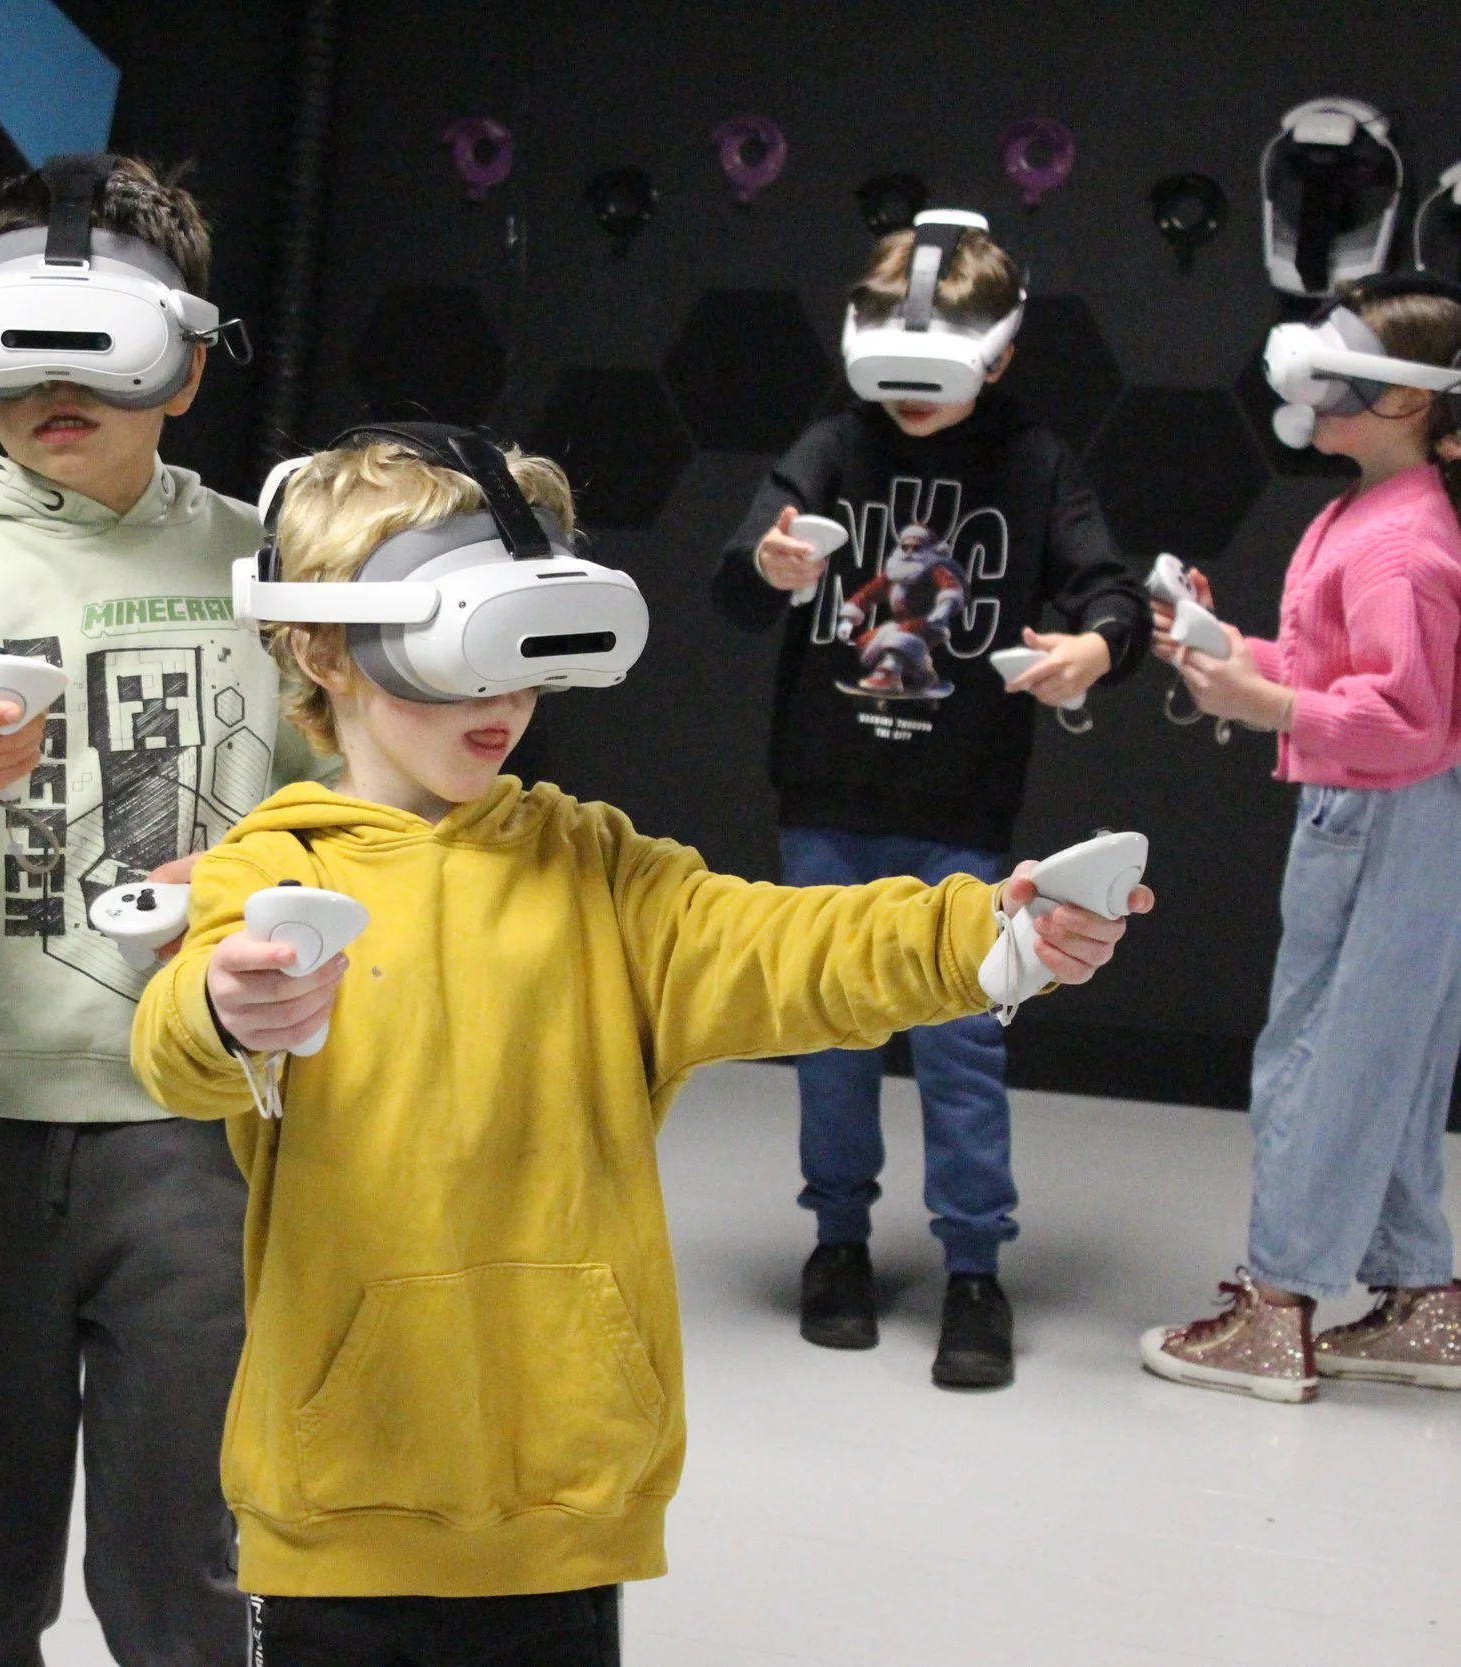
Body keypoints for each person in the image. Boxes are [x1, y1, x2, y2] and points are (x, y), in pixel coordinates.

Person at [130, 431, 1146, 1664]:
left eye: (527, 664)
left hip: (568, 1495)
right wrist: (225, 1011)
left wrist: (989, 938)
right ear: (323, 645)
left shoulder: (598, 869)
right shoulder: (270, 871)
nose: (503, 707)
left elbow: (784, 949)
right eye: (460, 662)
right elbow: (177, 1046)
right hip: (344, 1496)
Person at [0, 155, 318, 1665]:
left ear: (179, 357)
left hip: (204, 1124)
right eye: (15, 352)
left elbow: (353, 797)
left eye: (96, 351)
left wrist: (271, 884)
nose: (55, 388)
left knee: (190, 1563)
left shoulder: (261, 556)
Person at [710, 218, 1151, 1387]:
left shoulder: (1037, 463)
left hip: (960, 808)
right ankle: (838, 1244)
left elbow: (1111, 589)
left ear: (997, 357)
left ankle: (971, 1269)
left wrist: (1094, 650)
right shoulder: (832, 446)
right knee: (829, 1036)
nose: (908, 401)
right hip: (825, 801)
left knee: (962, 1043)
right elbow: (740, 572)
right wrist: (772, 564)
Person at [1141, 275, 1461, 1402]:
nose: (1307, 393)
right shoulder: (1372, 516)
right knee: (1390, 1060)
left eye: (1340, 377)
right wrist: (1235, 653)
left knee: (1322, 1059)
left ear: (1409, 403)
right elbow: (1343, 671)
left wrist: (1267, 705)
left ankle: (1276, 1308)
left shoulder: (1402, 546)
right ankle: (1422, 1294)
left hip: (1382, 818)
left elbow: (1406, 719)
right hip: (1389, 818)